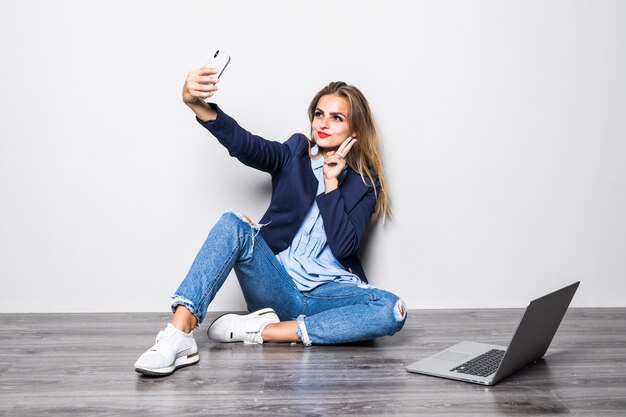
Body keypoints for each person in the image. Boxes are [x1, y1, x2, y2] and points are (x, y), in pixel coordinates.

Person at [134, 66, 407, 376]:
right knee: (233, 223)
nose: (324, 124)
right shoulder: (295, 153)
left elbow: (344, 248)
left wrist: (331, 183)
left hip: (328, 296)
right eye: (319, 114)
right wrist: (197, 105)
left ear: (355, 129)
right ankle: (178, 336)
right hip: (278, 287)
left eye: (337, 118)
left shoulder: (365, 185)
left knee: (392, 310)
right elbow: (247, 145)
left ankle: (264, 332)